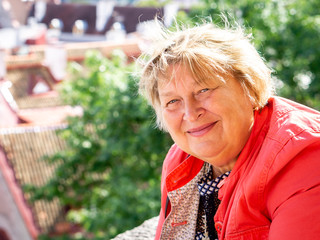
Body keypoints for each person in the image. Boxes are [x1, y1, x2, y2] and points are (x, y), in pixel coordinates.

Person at [137, 18, 320, 240]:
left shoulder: (304, 156)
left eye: (204, 90)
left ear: (249, 87)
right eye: (173, 101)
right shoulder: (180, 160)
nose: (191, 113)